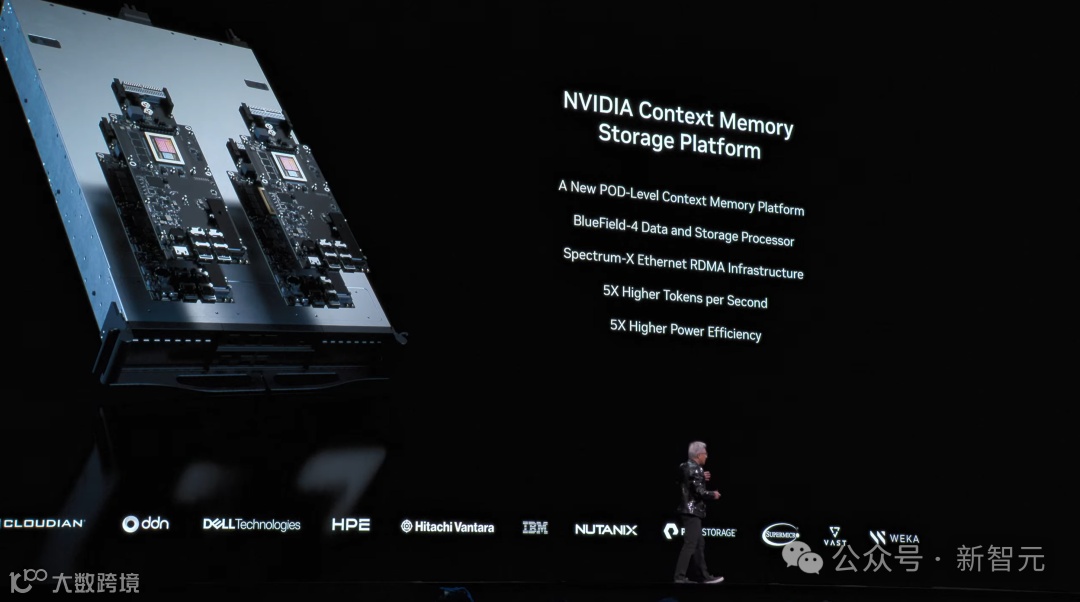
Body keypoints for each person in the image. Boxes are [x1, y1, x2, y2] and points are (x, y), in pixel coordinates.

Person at [673, 441, 724, 584]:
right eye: (705, 454)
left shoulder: (684, 466)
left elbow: (683, 481)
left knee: (699, 544)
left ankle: (703, 576)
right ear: (699, 455)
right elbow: (699, 492)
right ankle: (679, 577)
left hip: (686, 509)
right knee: (690, 544)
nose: (706, 456)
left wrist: (700, 475)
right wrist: (713, 494)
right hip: (692, 511)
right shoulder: (696, 469)